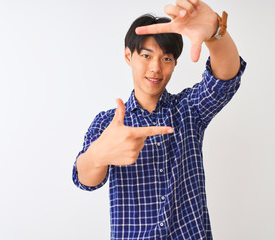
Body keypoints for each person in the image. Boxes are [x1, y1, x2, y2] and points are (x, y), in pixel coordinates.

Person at [72, 0, 246, 239]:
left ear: (174, 63)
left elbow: (225, 78)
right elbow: (85, 179)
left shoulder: (189, 110)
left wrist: (215, 32)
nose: (155, 68)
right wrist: (98, 155)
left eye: (166, 59)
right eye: (146, 55)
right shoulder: (109, 124)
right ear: (128, 56)